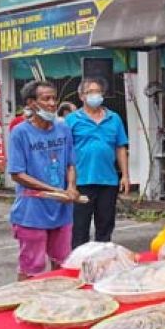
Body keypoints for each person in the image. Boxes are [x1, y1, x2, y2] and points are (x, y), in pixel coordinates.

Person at [7, 81, 79, 280]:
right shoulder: (20, 133)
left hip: (62, 211)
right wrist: (55, 191)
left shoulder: (63, 129)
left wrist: (71, 187)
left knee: (63, 263)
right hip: (32, 212)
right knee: (32, 268)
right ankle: (24, 305)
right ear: (31, 103)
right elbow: (17, 173)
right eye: (46, 98)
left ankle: (58, 307)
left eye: (54, 98)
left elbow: (70, 164)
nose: (52, 103)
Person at [65, 78, 130, 248]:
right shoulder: (72, 120)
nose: (95, 95)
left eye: (98, 92)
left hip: (108, 181)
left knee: (105, 227)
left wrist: (125, 175)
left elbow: (120, 148)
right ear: (81, 96)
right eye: (90, 92)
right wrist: (69, 183)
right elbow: (65, 151)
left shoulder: (114, 118)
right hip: (81, 181)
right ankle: (78, 266)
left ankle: (102, 264)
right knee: (79, 229)